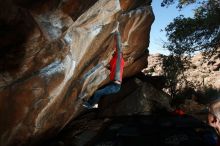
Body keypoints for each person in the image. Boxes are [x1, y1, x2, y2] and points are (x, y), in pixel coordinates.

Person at [83, 29, 124, 109]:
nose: (114, 51)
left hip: (116, 86)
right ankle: (90, 102)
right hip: (113, 84)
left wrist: (117, 33)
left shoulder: (119, 58)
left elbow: (119, 47)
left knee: (98, 93)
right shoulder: (114, 60)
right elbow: (110, 67)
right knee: (98, 91)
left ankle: (92, 105)